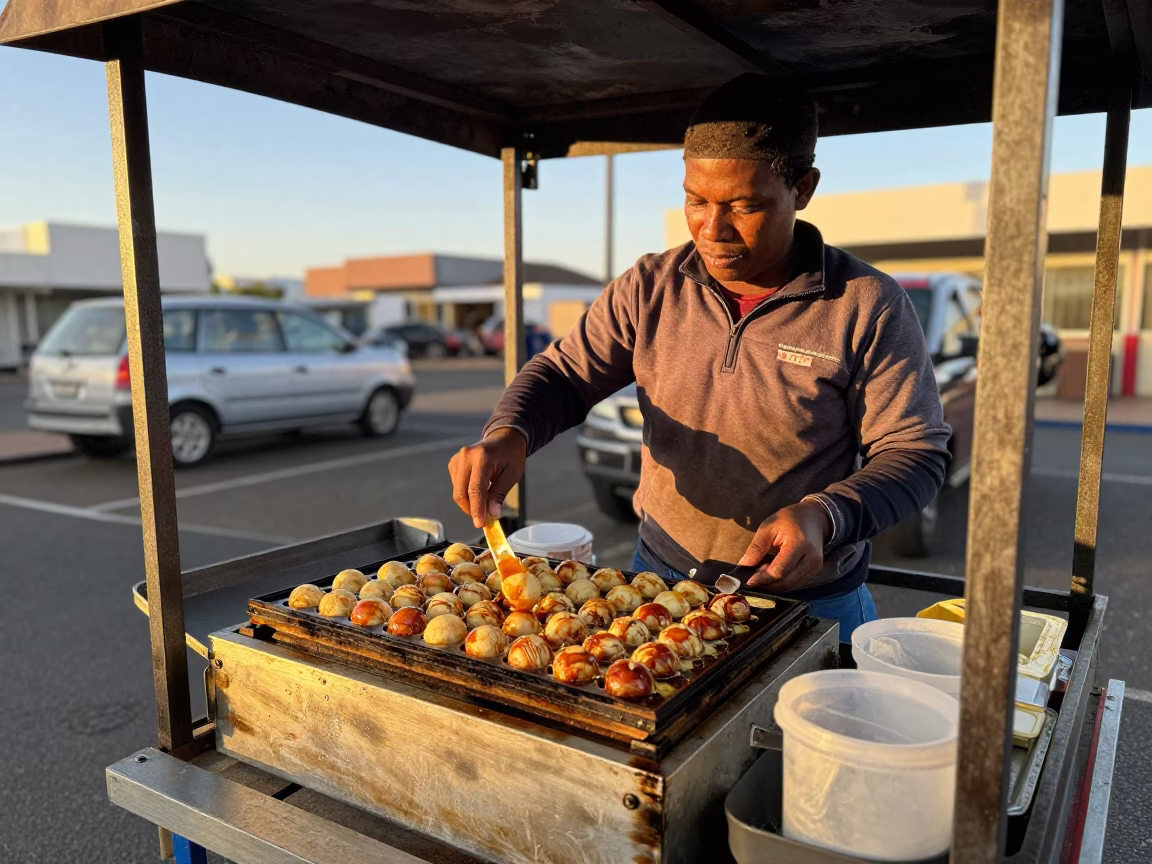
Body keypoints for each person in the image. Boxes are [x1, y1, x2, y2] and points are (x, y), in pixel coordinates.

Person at [448, 74, 950, 637]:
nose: (713, 230)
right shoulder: (650, 285)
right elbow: (564, 374)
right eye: (696, 201)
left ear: (803, 188)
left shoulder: (866, 304)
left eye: (744, 205)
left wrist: (825, 516)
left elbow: (915, 453)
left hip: (805, 606)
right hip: (658, 586)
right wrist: (509, 433)